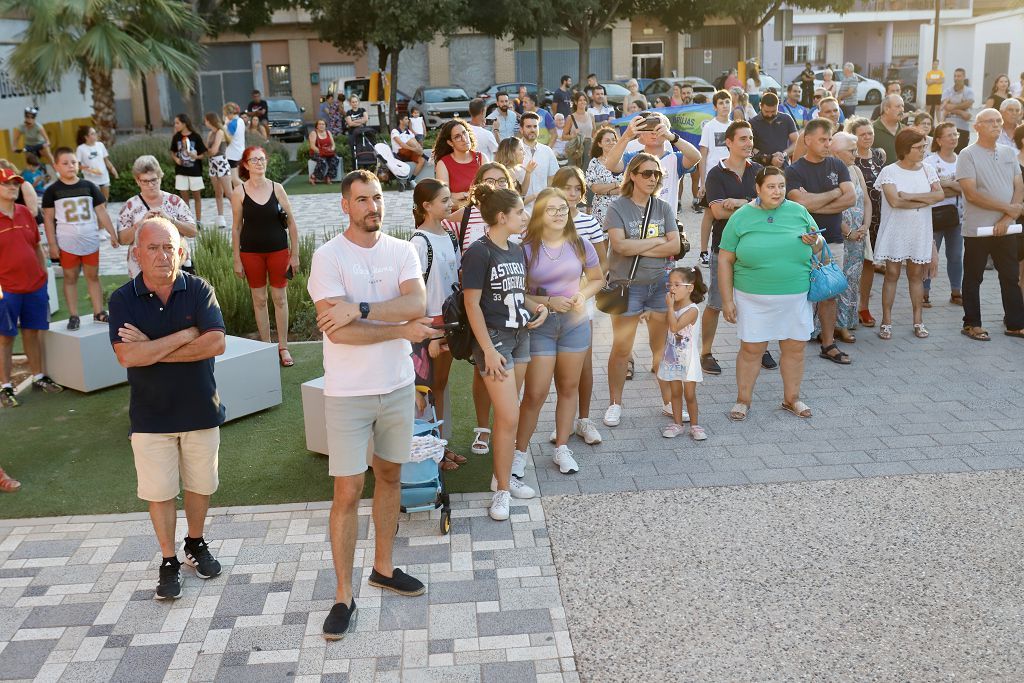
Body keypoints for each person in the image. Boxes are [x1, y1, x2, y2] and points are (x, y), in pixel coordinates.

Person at [306, 170, 433, 639]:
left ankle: (383, 567)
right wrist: (399, 329)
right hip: (347, 393)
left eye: (377, 198)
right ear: (345, 206)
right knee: (346, 490)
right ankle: (343, 594)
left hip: (397, 386)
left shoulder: (401, 250)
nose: (372, 207)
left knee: (391, 476)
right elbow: (338, 331)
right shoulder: (328, 257)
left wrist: (360, 308)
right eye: (362, 199)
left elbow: (415, 303)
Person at [108, 216, 227, 600]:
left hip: (200, 409)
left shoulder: (199, 289)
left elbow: (215, 344)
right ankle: (169, 559)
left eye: (169, 248)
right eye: (153, 248)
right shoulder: (122, 299)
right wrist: (182, 336)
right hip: (150, 416)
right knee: (159, 492)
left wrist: (152, 349)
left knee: (200, 485)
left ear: (182, 251)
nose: (163, 256)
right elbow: (127, 356)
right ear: (137, 254)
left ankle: (195, 541)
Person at [462, 185, 547, 519]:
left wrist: (537, 307)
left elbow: (518, 292)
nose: (525, 217)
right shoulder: (479, 251)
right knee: (509, 415)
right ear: (502, 217)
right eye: (520, 212)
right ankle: (500, 489)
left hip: (520, 335)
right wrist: (487, 349)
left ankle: (503, 478)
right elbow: (471, 303)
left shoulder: (515, 248)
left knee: (509, 417)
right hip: (494, 341)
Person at [719, 166, 825, 421]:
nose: (777, 192)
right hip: (752, 298)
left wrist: (816, 242)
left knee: (795, 349)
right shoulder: (741, 216)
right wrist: (727, 300)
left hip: (795, 296)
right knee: (751, 350)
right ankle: (743, 400)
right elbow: (724, 260)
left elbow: (818, 244)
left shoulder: (798, 211)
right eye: (770, 186)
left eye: (781, 186)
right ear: (757, 189)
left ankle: (792, 399)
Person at [515, 187, 603, 475]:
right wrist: (548, 302)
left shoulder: (580, 244)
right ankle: (518, 453)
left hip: (574, 325)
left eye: (563, 208)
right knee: (536, 393)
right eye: (551, 209)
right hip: (540, 325)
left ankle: (562, 448)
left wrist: (582, 295)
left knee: (568, 388)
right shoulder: (526, 249)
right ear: (540, 213)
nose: (558, 214)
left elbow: (597, 279)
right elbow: (518, 292)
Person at [602, 153, 681, 428]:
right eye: (646, 173)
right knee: (622, 349)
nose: (652, 178)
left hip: (659, 284)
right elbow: (620, 247)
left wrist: (642, 243)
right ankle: (615, 403)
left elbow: (675, 247)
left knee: (661, 347)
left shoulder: (662, 207)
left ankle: (669, 402)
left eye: (656, 174)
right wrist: (658, 241)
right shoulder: (617, 208)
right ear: (632, 175)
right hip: (626, 286)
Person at [786, 118, 856, 364]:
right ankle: (792, 342)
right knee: (797, 294)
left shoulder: (838, 165)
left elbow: (851, 198)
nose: (828, 144)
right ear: (807, 140)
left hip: (833, 240)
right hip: (801, 242)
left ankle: (828, 344)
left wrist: (818, 201)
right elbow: (802, 204)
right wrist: (836, 192)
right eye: (822, 140)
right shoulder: (793, 171)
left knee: (830, 293)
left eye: (829, 139)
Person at [701, 121, 768, 376]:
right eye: (743, 138)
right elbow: (717, 211)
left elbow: (772, 204)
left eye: (750, 138)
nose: (749, 143)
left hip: (756, 248)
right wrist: (755, 204)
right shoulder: (716, 174)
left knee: (757, 302)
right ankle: (706, 352)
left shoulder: (760, 170)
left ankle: (760, 348)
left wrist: (740, 202)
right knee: (716, 303)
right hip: (725, 249)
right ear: (728, 142)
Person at [409, 179, 465, 471]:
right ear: (426, 206)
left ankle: (439, 446)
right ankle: (429, 451)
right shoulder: (418, 242)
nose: (450, 204)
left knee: (440, 386)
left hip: (448, 323)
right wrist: (427, 331)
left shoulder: (449, 235)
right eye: (444, 200)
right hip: (428, 325)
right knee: (424, 389)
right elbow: (412, 291)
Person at [550, 167, 608, 446]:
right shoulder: (544, 223)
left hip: (582, 302)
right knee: (557, 367)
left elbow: (601, 266)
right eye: (566, 187)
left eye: (577, 189)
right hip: (550, 306)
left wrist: (582, 293)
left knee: (584, 364)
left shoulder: (589, 223)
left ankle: (584, 420)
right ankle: (563, 421)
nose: (572, 194)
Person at [956, 109, 1024, 340]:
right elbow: (971, 194)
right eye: (990, 121)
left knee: (1010, 276)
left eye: (998, 121)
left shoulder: (1008, 152)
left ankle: (1015, 323)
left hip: (1006, 228)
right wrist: (1008, 209)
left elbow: (1019, 186)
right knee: (974, 277)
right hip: (978, 229)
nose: (996, 125)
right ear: (977, 127)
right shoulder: (967, 154)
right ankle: (972, 324)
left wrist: (1007, 219)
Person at [230, 146, 301, 367]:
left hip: (278, 250)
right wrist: (236, 258)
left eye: (262, 159)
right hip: (251, 253)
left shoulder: (277, 188)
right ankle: (266, 347)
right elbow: (236, 228)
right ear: (246, 164)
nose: (260, 163)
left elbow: (291, 222)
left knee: (280, 299)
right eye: (255, 159)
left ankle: (283, 347)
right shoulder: (239, 192)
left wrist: (295, 254)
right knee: (259, 300)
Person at [872, 129, 945, 339]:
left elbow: (939, 194)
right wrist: (926, 199)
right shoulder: (889, 171)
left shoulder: (928, 169)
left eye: (924, 146)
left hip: (920, 230)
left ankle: (918, 321)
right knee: (892, 274)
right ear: (905, 149)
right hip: (896, 229)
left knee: (916, 276)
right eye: (919, 147)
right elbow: (895, 201)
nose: (923, 150)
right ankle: (886, 321)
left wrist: (912, 196)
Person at [0, 167, 63, 409]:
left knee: (32, 332)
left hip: (34, 285)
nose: (12, 187)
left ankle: (38, 376)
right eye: (7, 184)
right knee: (5, 338)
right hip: (7, 289)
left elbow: (36, 245)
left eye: (15, 184)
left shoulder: (25, 212)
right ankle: (5, 387)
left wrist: (43, 273)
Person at [42, 148, 118, 331]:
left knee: (93, 276)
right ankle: (73, 314)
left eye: (73, 162)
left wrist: (112, 234)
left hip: (90, 241)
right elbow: (48, 219)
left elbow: (101, 211)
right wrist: (52, 244)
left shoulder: (89, 186)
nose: (70, 166)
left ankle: (99, 311)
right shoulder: (52, 191)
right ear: (56, 166)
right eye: (65, 163)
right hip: (67, 244)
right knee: (70, 278)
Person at [117, 155, 198, 278]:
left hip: (175, 266)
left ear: (160, 177)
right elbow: (122, 240)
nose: (150, 185)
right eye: (145, 181)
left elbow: (193, 231)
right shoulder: (130, 206)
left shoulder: (174, 201)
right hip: (140, 270)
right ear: (137, 181)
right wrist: (140, 224)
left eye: (154, 180)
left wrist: (170, 220)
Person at [829, 132, 872, 338]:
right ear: (836, 152)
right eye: (851, 150)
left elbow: (866, 200)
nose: (856, 154)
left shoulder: (855, 170)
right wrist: (849, 232)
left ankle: (846, 320)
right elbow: (830, 207)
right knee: (836, 280)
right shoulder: (830, 172)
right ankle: (832, 325)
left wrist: (866, 225)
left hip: (859, 237)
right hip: (840, 235)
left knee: (853, 279)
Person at [846, 116, 886, 326]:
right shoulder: (850, 162)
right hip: (858, 217)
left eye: (870, 133)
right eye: (863, 134)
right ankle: (848, 306)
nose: (868, 137)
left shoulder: (879, 155)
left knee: (869, 262)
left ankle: (864, 306)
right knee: (854, 262)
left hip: (879, 216)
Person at [659, 267, 706, 439]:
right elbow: (667, 325)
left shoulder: (692, 310)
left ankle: (695, 425)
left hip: (688, 359)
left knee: (690, 394)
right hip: (672, 357)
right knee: (676, 393)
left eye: (677, 285)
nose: (672, 288)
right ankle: (677, 424)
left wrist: (670, 308)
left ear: (690, 288)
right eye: (670, 284)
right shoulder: (674, 307)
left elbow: (675, 327)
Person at [623, 112, 700, 215]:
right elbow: (610, 165)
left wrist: (672, 137)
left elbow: (696, 157)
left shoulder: (674, 159)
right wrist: (626, 136)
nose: (654, 132)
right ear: (642, 132)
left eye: (659, 127)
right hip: (638, 223)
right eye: (650, 127)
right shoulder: (632, 158)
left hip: (668, 225)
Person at [923, 121, 964, 307]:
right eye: (950, 135)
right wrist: (951, 185)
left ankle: (956, 291)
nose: (954, 138)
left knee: (956, 256)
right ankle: (924, 293)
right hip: (934, 215)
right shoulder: (930, 161)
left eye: (956, 134)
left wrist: (943, 183)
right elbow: (930, 189)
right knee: (930, 255)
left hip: (957, 216)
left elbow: (966, 188)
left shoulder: (963, 159)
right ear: (939, 140)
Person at [698, 90, 734, 267]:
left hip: (730, 175)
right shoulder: (709, 126)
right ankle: (704, 251)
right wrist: (702, 182)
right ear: (714, 106)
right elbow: (702, 156)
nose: (725, 106)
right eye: (721, 103)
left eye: (727, 102)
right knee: (710, 214)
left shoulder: (734, 126)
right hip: (713, 176)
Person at [433, 119, 483, 207]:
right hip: (456, 217)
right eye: (457, 136)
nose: (464, 139)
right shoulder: (443, 164)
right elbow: (443, 199)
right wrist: (471, 197)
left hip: (483, 215)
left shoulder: (481, 158)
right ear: (450, 143)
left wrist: (462, 195)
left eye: (464, 133)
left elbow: (490, 191)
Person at [518, 112, 559, 213]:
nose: (532, 130)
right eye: (528, 126)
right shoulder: (514, 151)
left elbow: (553, 179)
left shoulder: (547, 151)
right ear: (521, 129)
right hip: (520, 211)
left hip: (544, 209)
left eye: (535, 126)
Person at [586, 126, 628, 225]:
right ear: (600, 144)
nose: (612, 142)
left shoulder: (624, 161)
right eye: (607, 140)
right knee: (602, 239)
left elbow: (627, 187)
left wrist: (606, 191)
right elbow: (595, 188)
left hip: (622, 207)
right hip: (601, 210)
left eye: (614, 140)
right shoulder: (594, 163)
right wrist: (616, 184)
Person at [169, 113, 206, 226]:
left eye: (177, 123)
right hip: (181, 171)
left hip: (195, 172)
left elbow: (203, 154)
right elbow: (173, 151)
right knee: (184, 198)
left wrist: (196, 157)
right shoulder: (176, 137)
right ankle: (188, 220)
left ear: (184, 123)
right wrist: (176, 159)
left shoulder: (196, 136)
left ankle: (198, 221)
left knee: (197, 197)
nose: (175, 125)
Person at [749, 92, 798, 170]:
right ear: (760, 106)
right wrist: (770, 158)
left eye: (773, 111)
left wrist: (783, 154)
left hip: (782, 165)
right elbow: (750, 147)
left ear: (778, 107)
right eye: (766, 111)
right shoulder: (752, 123)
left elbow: (797, 142)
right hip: (760, 167)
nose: (770, 115)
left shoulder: (786, 119)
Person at [203, 112, 233, 228]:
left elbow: (214, 150)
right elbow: (207, 149)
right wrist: (207, 151)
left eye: (206, 120)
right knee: (218, 192)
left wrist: (207, 151)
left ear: (210, 121)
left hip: (221, 162)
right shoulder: (211, 133)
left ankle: (241, 215)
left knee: (229, 193)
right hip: (212, 163)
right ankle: (220, 218)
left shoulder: (220, 132)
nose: (205, 122)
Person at [75, 125, 117, 200]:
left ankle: (104, 211)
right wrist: (90, 170)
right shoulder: (80, 149)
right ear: (86, 137)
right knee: (96, 201)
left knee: (105, 200)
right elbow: (77, 165)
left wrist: (112, 169)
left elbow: (106, 160)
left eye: (95, 133)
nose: (96, 135)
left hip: (104, 177)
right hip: (91, 180)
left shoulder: (100, 145)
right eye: (93, 133)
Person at [941, 68, 975, 153]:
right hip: (948, 126)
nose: (956, 78)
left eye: (959, 76)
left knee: (960, 154)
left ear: (964, 77)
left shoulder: (969, 91)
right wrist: (961, 111)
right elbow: (944, 106)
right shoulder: (948, 90)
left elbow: (968, 104)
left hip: (963, 127)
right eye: (955, 76)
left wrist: (951, 107)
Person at [495, 137, 535, 201]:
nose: (524, 153)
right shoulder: (507, 171)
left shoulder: (509, 169)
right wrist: (537, 195)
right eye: (521, 149)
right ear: (511, 152)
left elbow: (522, 193)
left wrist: (528, 172)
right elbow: (515, 202)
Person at [563, 92, 596, 168]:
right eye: (580, 100)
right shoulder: (570, 117)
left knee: (587, 170)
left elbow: (594, 134)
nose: (582, 102)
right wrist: (573, 136)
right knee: (574, 171)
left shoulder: (591, 116)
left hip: (588, 148)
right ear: (575, 102)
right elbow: (563, 136)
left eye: (584, 100)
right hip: (576, 148)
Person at [872, 95, 904, 168]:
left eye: (902, 106)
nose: (902, 109)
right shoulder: (871, 130)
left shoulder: (906, 131)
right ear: (886, 109)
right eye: (898, 106)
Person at [389, 113, 425, 178]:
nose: (408, 120)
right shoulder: (395, 131)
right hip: (400, 153)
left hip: (410, 152)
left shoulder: (409, 131)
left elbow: (415, 143)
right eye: (406, 119)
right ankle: (425, 156)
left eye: (408, 119)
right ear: (400, 121)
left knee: (422, 160)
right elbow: (401, 144)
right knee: (410, 141)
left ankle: (411, 179)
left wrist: (418, 147)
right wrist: (414, 149)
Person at [309, 119, 340, 184]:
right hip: (316, 153)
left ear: (325, 126)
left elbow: (333, 144)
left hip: (327, 152)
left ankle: (329, 177)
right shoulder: (313, 133)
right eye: (319, 124)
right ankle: (313, 176)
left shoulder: (328, 132)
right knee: (322, 161)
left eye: (323, 124)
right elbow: (312, 146)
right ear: (316, 126)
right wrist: (321, 152)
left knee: (336, 159)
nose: (321, 126)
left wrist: (332, 149)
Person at [223, 103, 246, 188]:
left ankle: (251, 191)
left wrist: (225, 126)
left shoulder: (232, 124)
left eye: (225, 114)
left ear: (229, 113)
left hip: (232, 154)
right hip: (239, 152)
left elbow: (228, 139)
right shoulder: (240, 121)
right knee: (235, 180)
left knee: (234, 179)